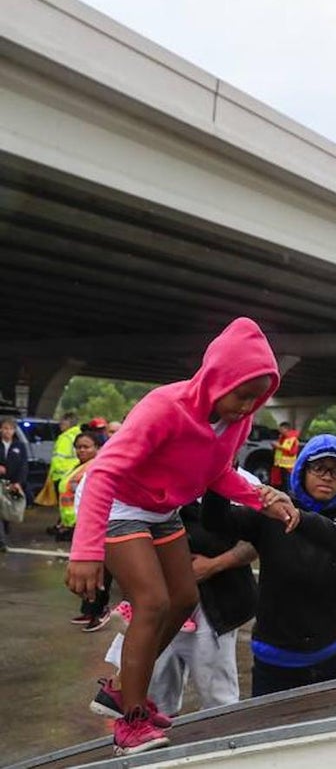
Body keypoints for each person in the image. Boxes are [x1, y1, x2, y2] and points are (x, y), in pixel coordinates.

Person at [64, 317, 295, 756]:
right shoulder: (165, 407)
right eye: (242, 394)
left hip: (160, 509)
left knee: (184, 599)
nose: (248, 407)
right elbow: (104, 473)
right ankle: (130, 720)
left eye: (258, 398)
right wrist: (86, 550)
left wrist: (261, 498)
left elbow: (218, 473)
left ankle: (120, 690)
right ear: (216, 379)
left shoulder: (236, 424)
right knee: (152, 602)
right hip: (118, 504)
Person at [202, 435, 336, 696]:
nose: (328, 476)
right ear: (302, 469)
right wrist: (225, 470)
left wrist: (297, 516)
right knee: (271, 736)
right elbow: (216, 523)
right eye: (319, 468)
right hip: (275, 663)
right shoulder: (272, 513)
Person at [97, 471, 260, 719]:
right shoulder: (155, 476)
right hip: (159, 604)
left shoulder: (247, 485)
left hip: (216, 607)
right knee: (153, 696)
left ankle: (220, 750)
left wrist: (215, 564)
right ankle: (150, 740)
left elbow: (258, 541)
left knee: (220, 701)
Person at [60, 432, 115, 631]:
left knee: (101, 573)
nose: (82, 450)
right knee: (89, 574)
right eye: (79, 447)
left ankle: (99, 611)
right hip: (82, 525)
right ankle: (90, 610)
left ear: (98, 448)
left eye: (87, 446)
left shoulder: (100, 466)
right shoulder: (77, 467)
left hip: (101, 527)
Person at [0, 416, 29, 552]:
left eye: (11, 429)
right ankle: (1, 541)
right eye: (5, 428)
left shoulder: (19, 446)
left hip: (11, 483)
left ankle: (4, 532)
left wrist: (18, 482)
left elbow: (23, 465)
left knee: (8, 511)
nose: (8, 431)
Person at [271, 421, 300, 488]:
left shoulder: (293, 439)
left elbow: (292, 452)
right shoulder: (282, 438)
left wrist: (279, 447)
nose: (279, 431)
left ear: (286, 429)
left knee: (288, 484)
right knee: (282, 485)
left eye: (281, 429)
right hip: (280, 465)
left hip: (288, 466)